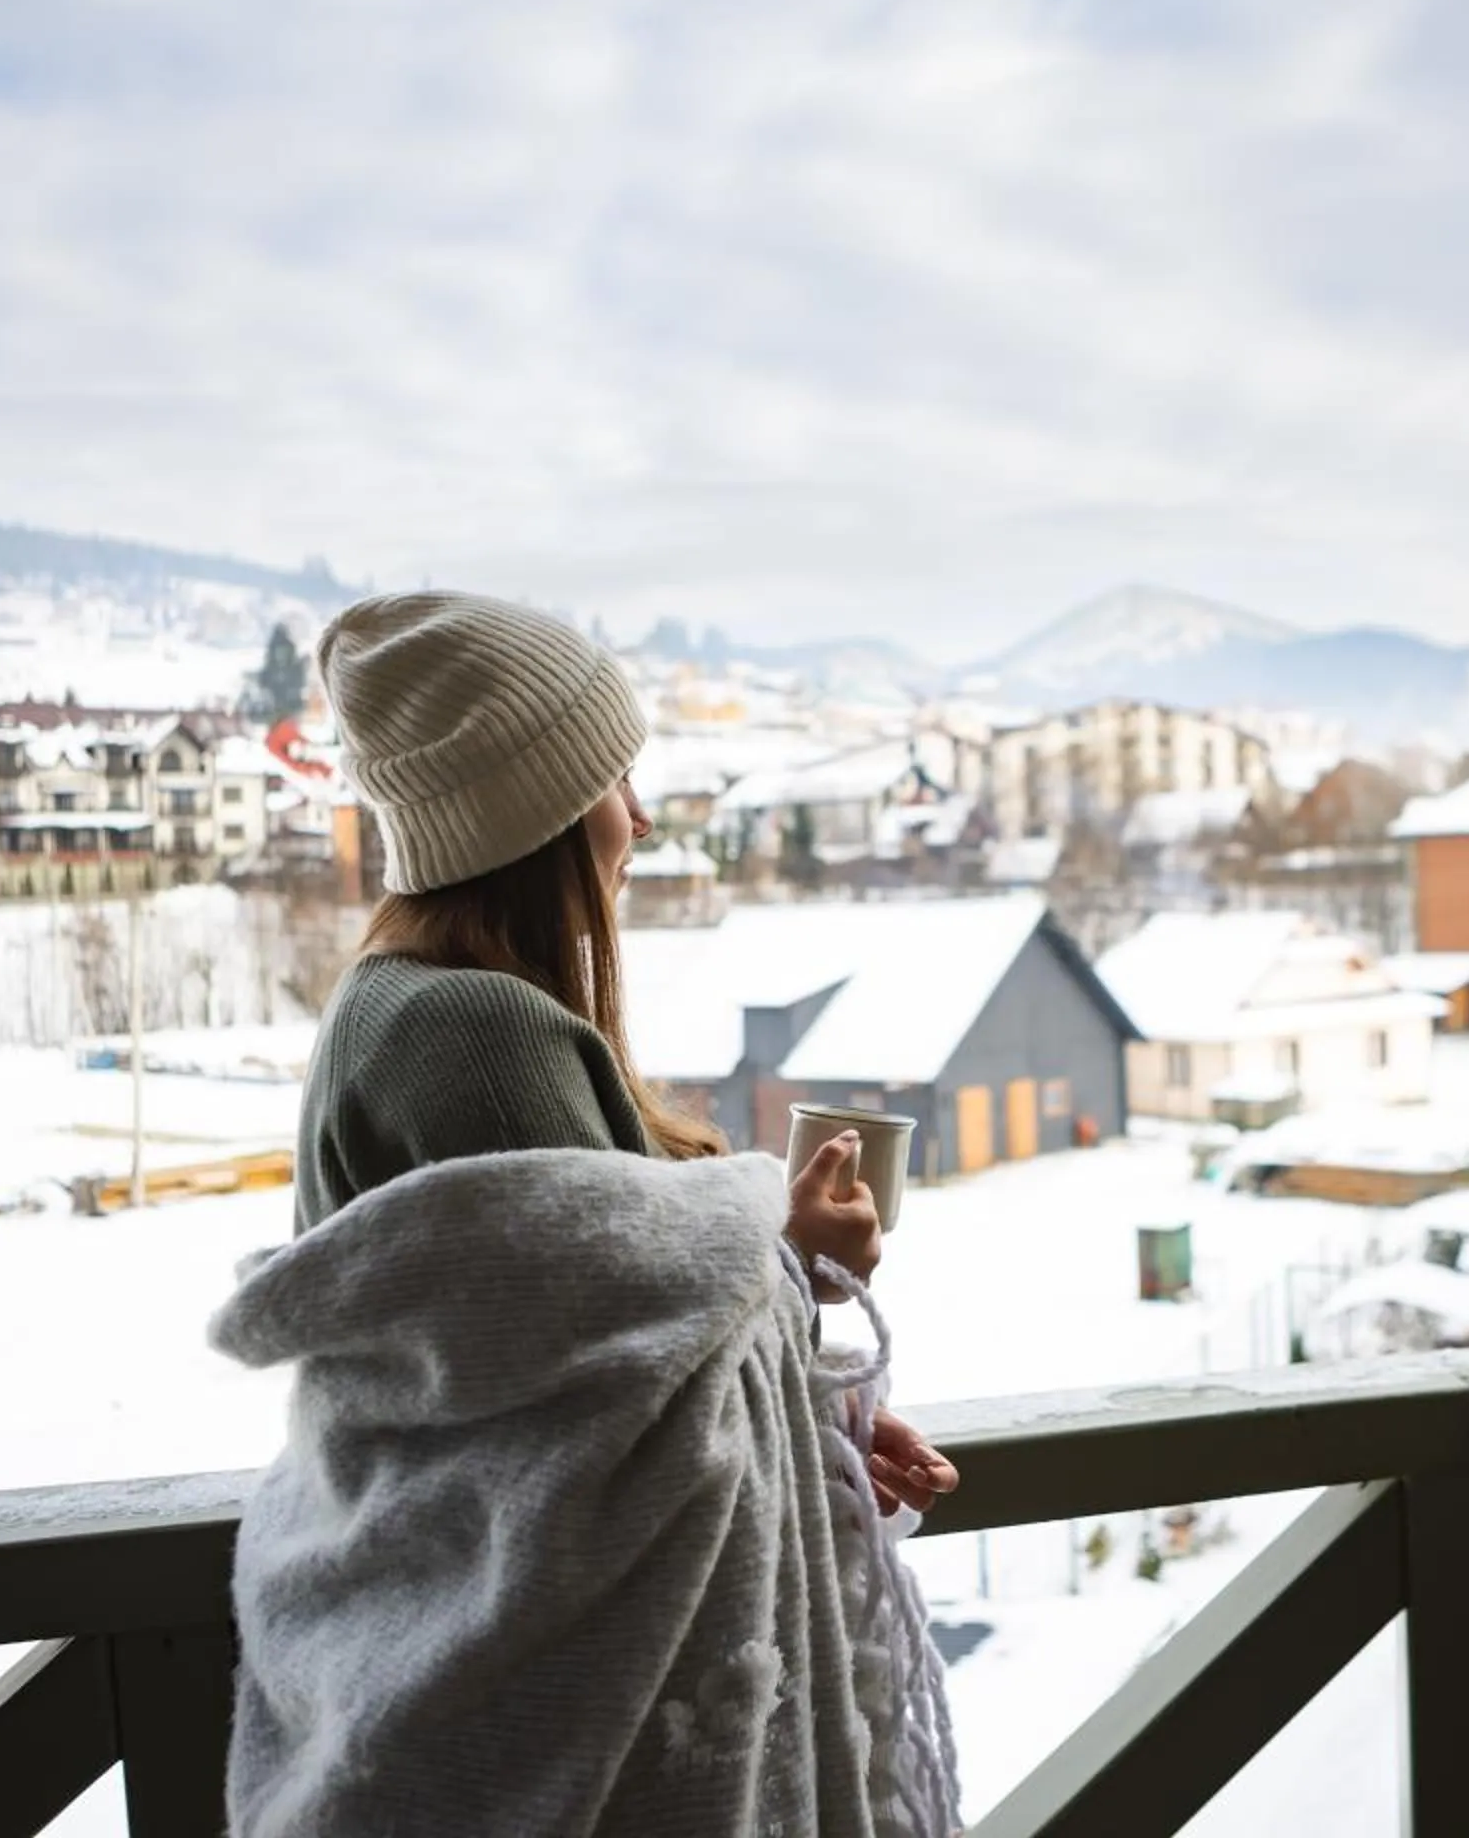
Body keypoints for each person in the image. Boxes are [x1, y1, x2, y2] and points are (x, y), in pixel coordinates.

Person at [212, 591, 961, 1838]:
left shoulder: (388, 1005)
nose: (641, 817)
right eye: (615, 779)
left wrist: (807, 1416)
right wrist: (795, 1258)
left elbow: (530, 1379)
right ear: (539, 810)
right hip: (556, 1744)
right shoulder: (474, 1030)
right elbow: (604, 1403)